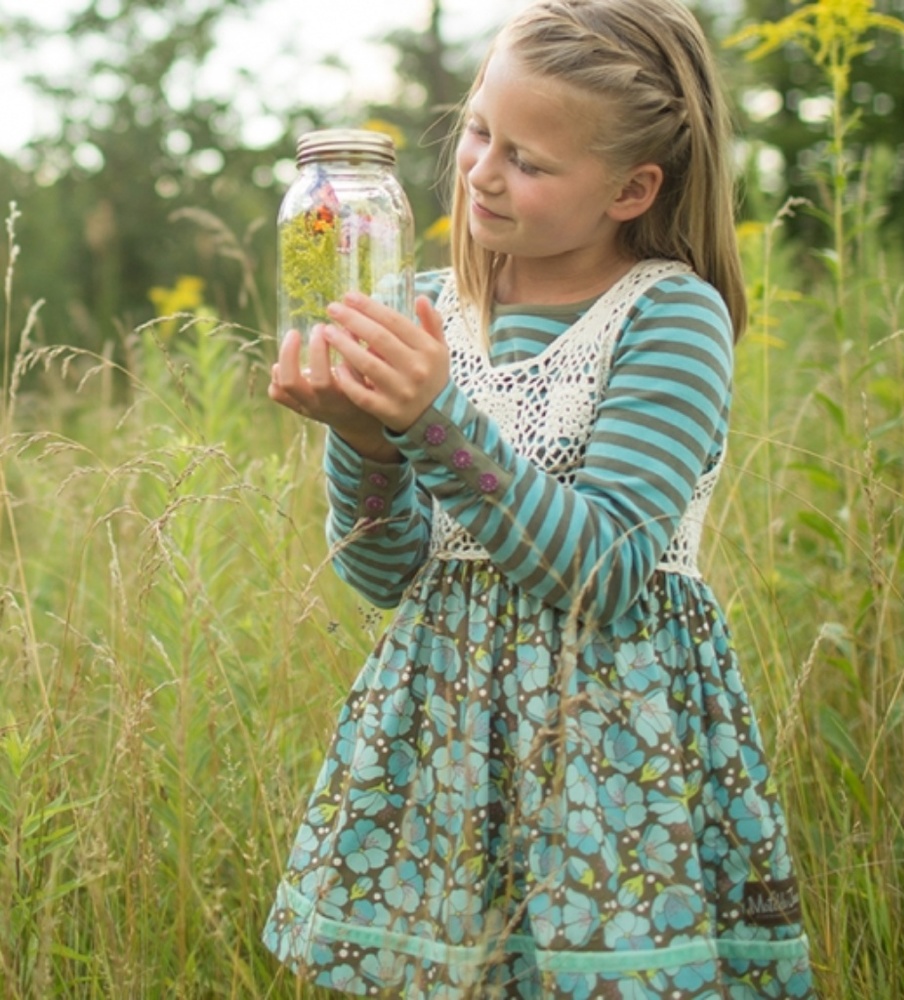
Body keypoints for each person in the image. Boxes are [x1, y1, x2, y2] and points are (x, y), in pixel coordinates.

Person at [264, 0, 815, 996]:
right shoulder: (431, 308)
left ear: (629, 187)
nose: (480, 169)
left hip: (610, 744)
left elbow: (599, 570)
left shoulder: (667, 315)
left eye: (528, 159)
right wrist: (361, 440)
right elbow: (387, 577)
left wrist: (431, 420)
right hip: (444, 736)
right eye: (478, 129)